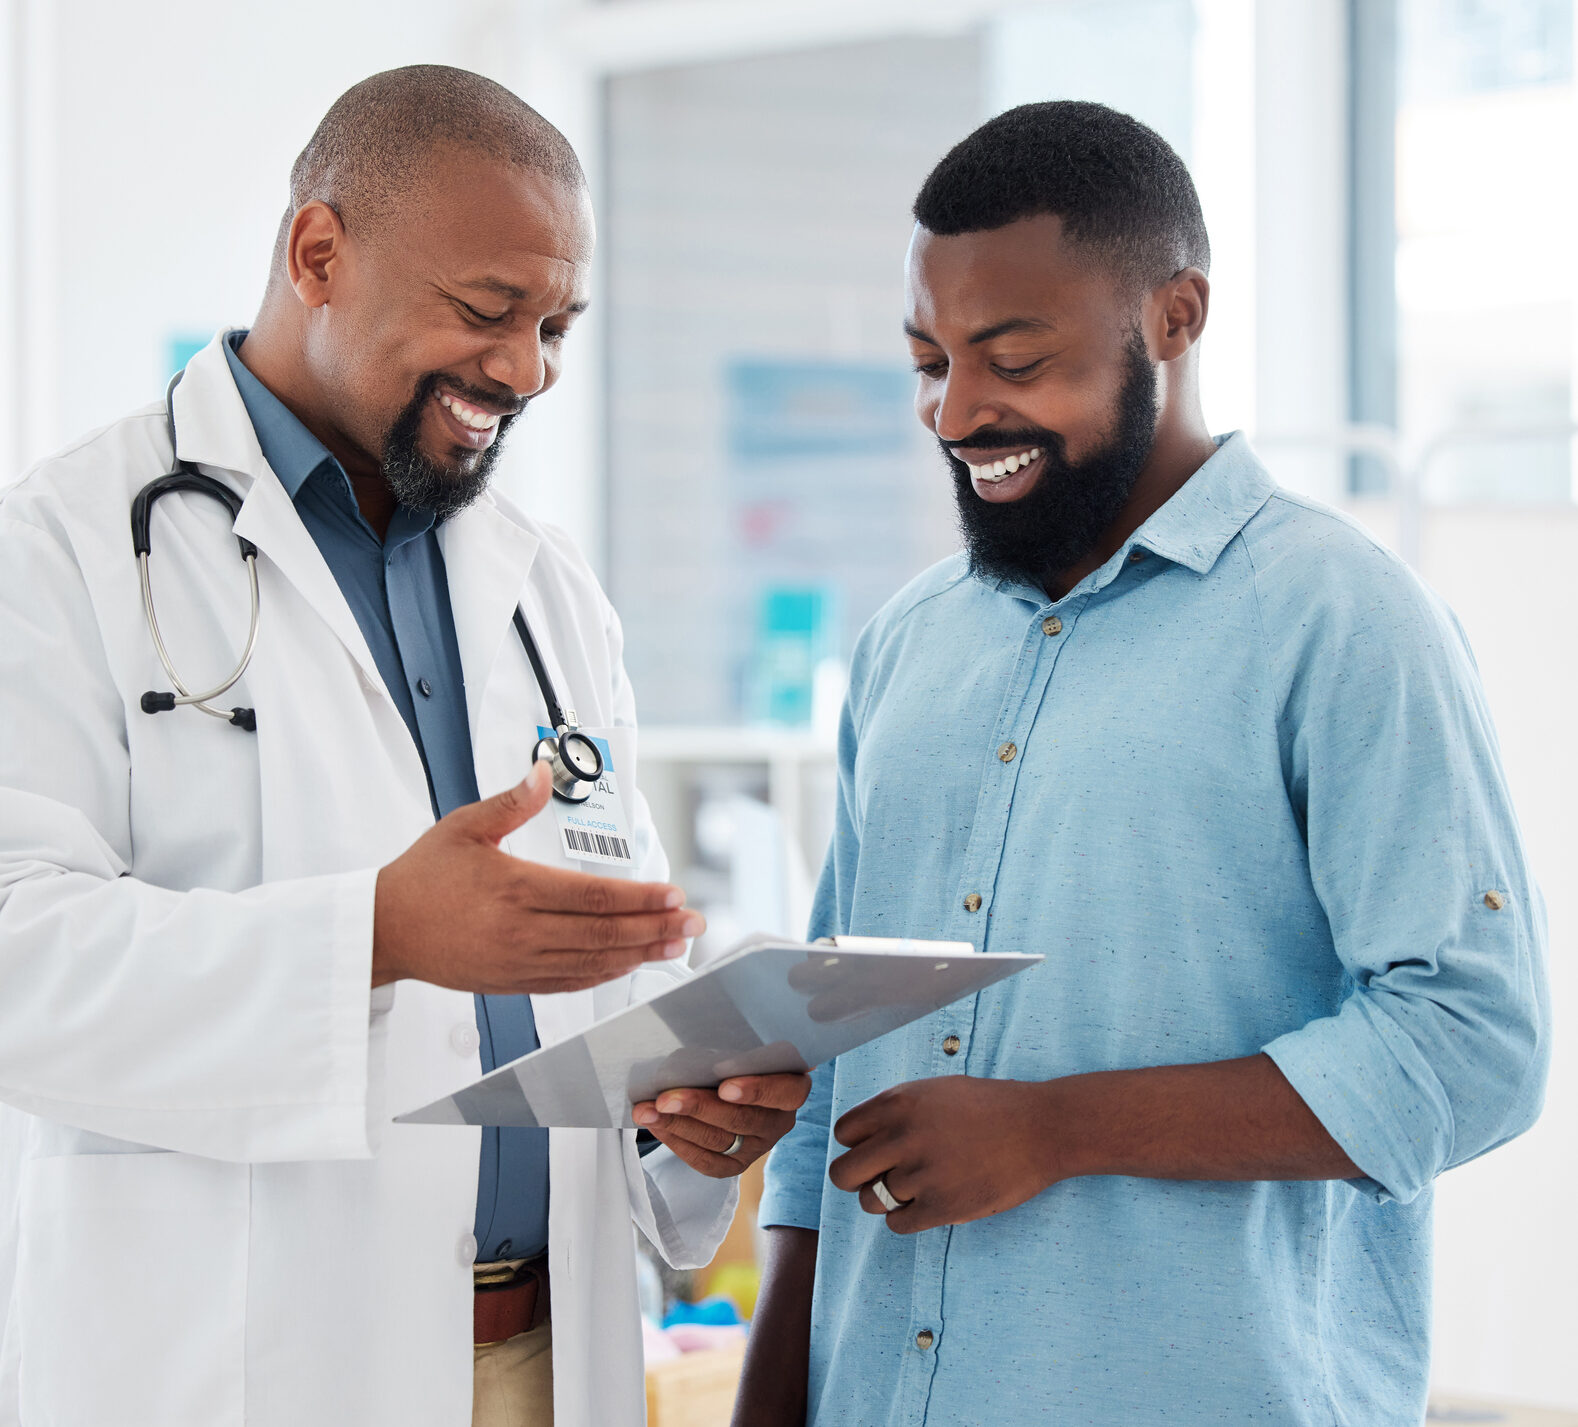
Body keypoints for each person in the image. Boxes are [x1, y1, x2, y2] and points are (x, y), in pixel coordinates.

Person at [0, 66, 807, 1427]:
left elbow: (612, 963)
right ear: (319, 253)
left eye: (557, 324)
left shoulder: (544, 588)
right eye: (488, 311)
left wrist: (685, 1113)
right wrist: (372, 934)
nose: (528, 368)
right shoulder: (63, 550)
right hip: (248, 1360)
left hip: (545, 1355)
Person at [733, 101, 1548, 1427]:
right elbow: (837, 1064)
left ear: (1172, 316)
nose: (956, 410)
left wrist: (1056, 1128)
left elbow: (1471, 1046)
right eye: (927, 359)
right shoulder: (904, 646)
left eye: (1011, 355)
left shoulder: (1341, 620)